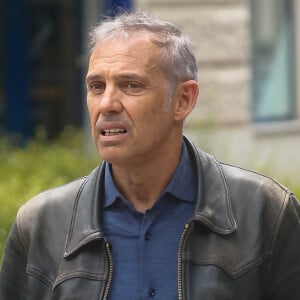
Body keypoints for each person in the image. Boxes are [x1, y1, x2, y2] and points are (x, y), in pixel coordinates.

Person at [1, 10, 300, 300]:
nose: (107, 104)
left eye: (131, 85)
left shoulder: (265, 212)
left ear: (183, 99)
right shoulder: (41, 225)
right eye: (96, 86)